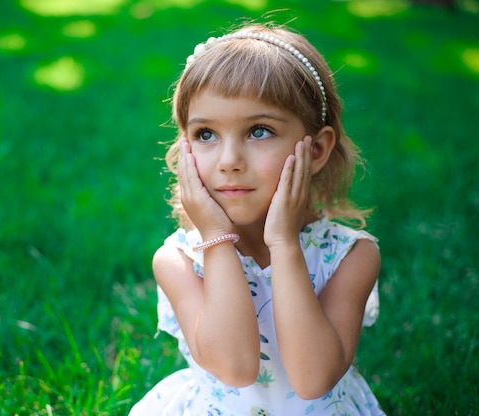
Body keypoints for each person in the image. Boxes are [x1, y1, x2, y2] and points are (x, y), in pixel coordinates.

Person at [130, 21, 385, 415]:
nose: (229, 161)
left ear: (316, 150)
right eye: (206, 135)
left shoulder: (350, 256)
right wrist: (214, 235)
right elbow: (234, 367)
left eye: (259, 131)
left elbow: (314, 379)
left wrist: (284, 244)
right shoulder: (179, 260)